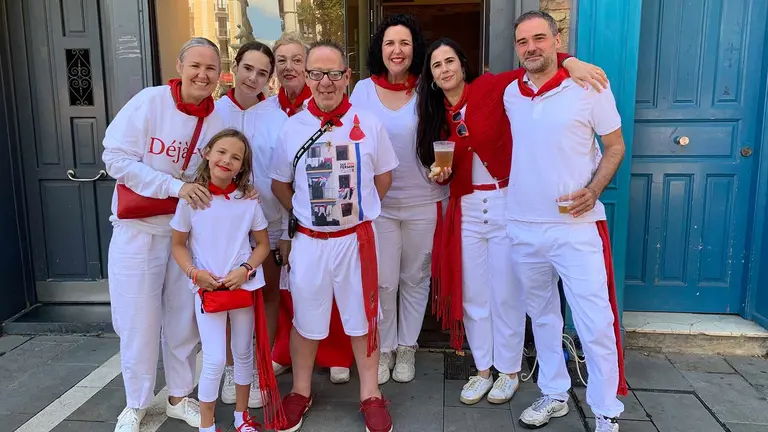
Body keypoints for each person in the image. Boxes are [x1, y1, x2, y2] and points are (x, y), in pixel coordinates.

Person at [417, 39, 607, 406]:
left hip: (506, 202)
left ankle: (508, 371)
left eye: (450, 61)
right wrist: (440, 175)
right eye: (437, 65)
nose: (445, 69)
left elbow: (533, 67)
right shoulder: (435, 114)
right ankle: (482, 369)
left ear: (463, 64)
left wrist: (570, 62)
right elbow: (442, 168)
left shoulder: (489, 87)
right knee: (474, 296)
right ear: (432, 77)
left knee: (506, 293)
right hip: (467, 208)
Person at [502, 11, 628, 432]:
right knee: (541, 317)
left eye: (540, 38)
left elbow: (614, 146)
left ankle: (606, 411)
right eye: (523, 41)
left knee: (595, 321)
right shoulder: (511, 93)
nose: (531, 47)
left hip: (575, 226)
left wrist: (594, 190)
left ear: (557, 40)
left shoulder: (590, 86)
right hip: (523, 224)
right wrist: (570, 60)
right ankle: (554, 392)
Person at [269, 41, 399, 432]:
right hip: (310, 243)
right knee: (306, 320)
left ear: (347, 76)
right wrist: (306, 216)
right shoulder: (292, 128)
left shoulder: (369, 124)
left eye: (334, 73)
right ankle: (301, 391)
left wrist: (355, 214)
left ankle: (371, 394)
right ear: (306, 77)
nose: (325, 82)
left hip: (355, 242)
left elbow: (384, 177)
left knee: (362, 320)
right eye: (316, 73)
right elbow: (279, 184)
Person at [102, 37, 227, 432]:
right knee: (137, 321)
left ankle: (178, 396)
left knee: (182, 321)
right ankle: (136, 403)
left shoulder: (217, 119)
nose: (202, 75)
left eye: (210, 68)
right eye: (196, 66)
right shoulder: (150, 102)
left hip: (184, 237)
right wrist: (174, 187)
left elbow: (223, 170)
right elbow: (114, 157)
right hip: (138, 231)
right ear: (180, 66)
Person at [350, 13, 445, 385]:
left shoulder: (429, 87)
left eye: (404, 43)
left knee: (416, 277)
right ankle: (385, 347)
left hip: (424, 199)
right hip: (379, 204)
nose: (397, 50)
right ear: (380, 48)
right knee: (384, 281)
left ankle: (407, 346)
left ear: (414, 48)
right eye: (390, 43)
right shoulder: (361, 91)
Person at [170, 129, 280, 432]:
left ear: (242, 167)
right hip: (207, 289)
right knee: (215, 358)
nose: (227, 160)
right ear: (207, 153)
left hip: (242, 286)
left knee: (244, 353)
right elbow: (178, 244)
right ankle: (207, 425)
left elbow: (262, 245)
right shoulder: (191, 200)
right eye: (221, 152)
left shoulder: (247, 201)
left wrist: (246, 269)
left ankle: (241, 417)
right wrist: (194, 273)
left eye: (236, 157)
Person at [268, 32, 355, 384]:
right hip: (284, 215)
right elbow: (277, 177)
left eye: (296, 60)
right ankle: (285, 353)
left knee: (330, 289)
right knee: (295, 292)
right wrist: (295, 217)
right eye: (281, 60)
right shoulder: (266, 110)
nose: (288, 67)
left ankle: (334, 355)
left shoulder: (324, 104)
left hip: (323, 223)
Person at [215, 41, 289, 409]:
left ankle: (261, 367)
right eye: (248, 68)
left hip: (268, 223)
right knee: (230, 297)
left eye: (262, 73)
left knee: (269, 294)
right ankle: (233, 369)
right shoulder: (215, 113)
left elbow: (289, 178)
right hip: (225, 225)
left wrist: (286, 228)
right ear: (235, 66)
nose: (253, 78)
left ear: (269, 78)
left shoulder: (278, 117)